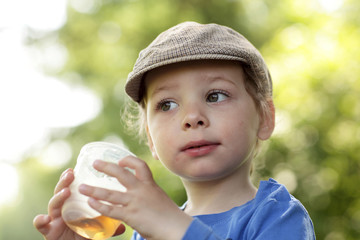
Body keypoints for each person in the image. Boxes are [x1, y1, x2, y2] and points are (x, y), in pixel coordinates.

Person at [33, 21, 316, 240]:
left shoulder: (277, 215)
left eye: (215, 95)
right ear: (151, 139)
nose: (192, 117)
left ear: (265, 117)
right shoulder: (146, 229)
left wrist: (173, 226)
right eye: (167, 104)